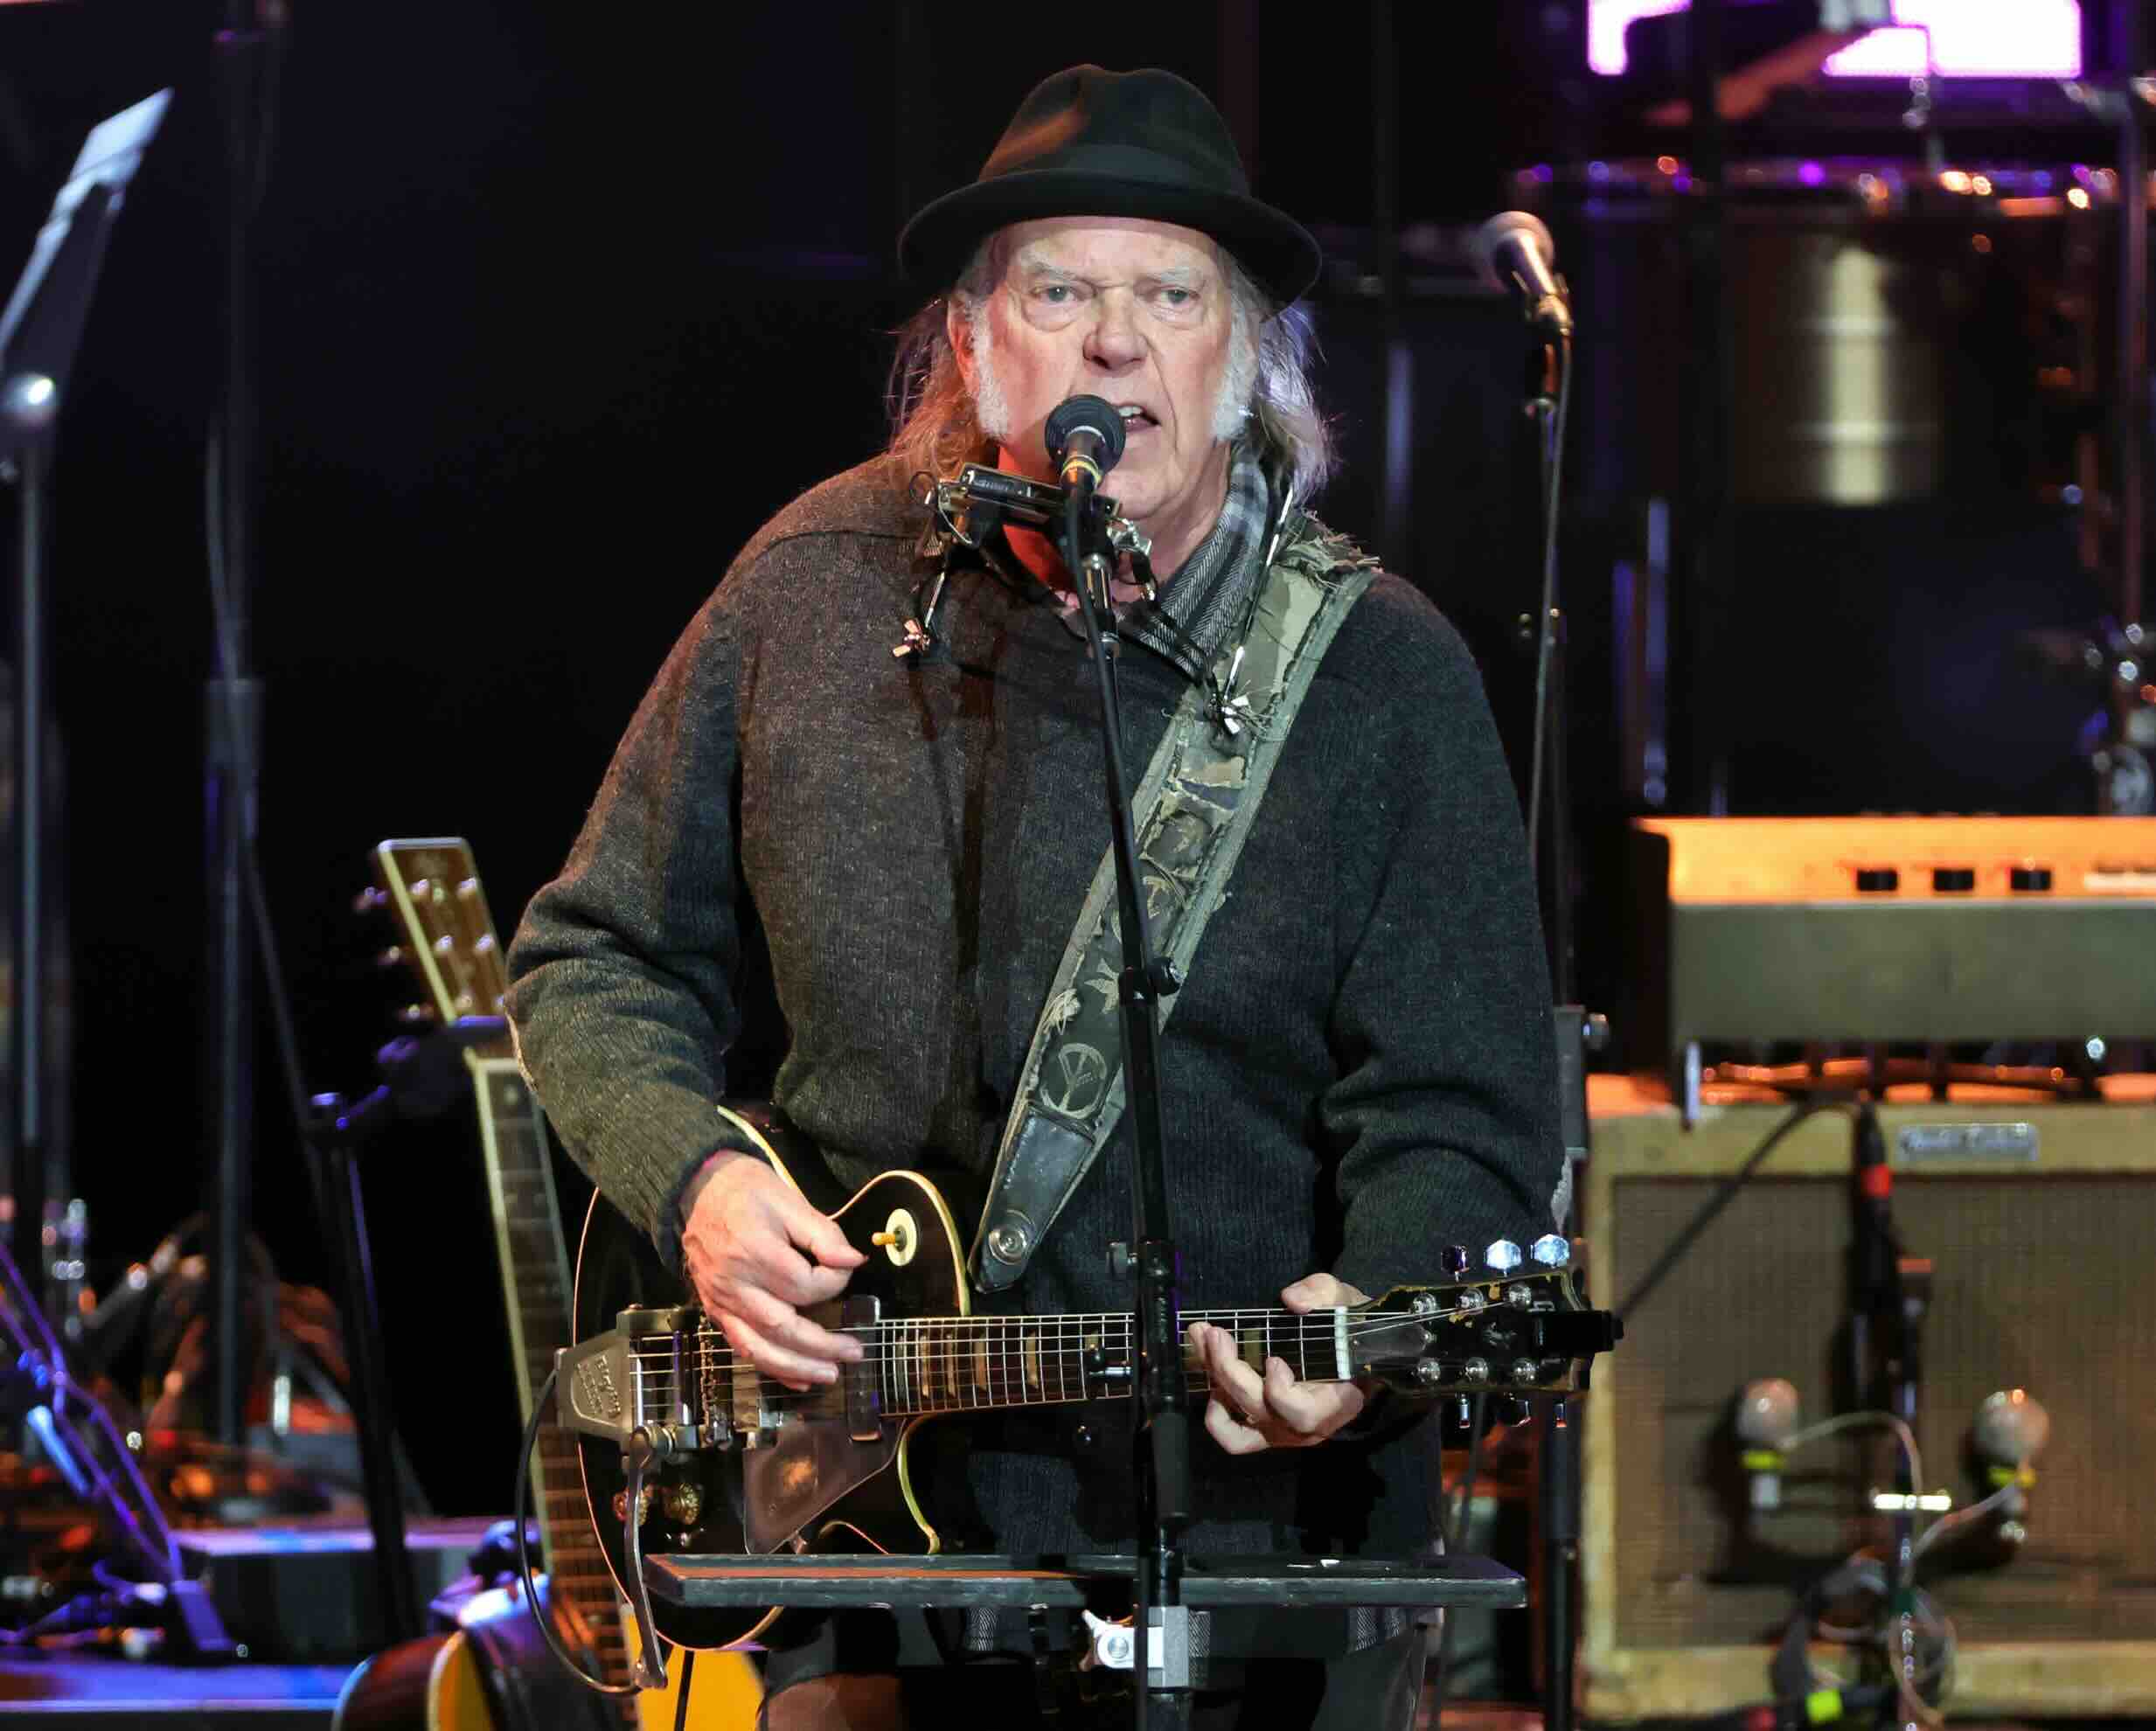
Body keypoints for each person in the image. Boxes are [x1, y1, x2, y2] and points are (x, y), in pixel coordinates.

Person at [506, 64, 1563, 1731]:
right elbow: (593, 955)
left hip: (1258, 1554)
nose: (1113, 343)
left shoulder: (1378, 673)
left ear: (1244, 366)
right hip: (852, 1541)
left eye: (1170, 295)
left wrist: (1362, 1322)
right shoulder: (810, 588)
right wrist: (698, 1184)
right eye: (1058, 292)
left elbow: (1465, 1099)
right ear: (973, 344)